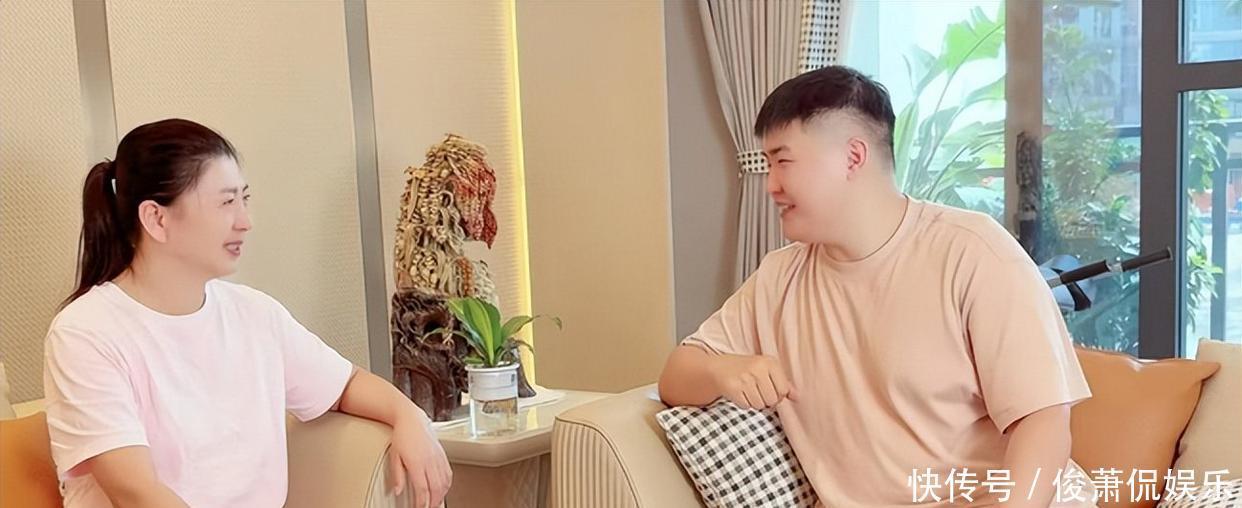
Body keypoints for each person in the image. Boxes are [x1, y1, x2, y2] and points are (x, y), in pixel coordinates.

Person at [658, 66, 1096, 507]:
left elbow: (1043, 422)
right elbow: (676, 377)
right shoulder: (779, 278)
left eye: (782, 161)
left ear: (853, 157)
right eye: (767, 164)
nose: (770, 186)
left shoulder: (973, 252)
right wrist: (721, 370)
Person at [43, 119, 451, 508]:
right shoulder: (86, 333)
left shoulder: (254, 315)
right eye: (226, 202)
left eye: (245, 198)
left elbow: (343, 385)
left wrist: (409, 417)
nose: (245, 222)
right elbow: (137, 493)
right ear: (156, 218)